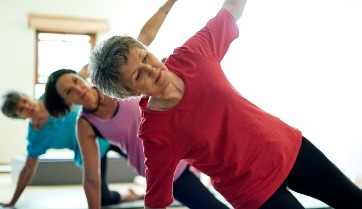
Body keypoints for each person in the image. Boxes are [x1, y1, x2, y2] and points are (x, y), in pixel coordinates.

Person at [87, 0, 362, 208]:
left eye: (144, 56)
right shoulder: (155, 134)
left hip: (287, 148)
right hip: (254, 192)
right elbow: (156, 199)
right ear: (127, 92)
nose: (151, 69)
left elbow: (231, 9)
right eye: (137, 75)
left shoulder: (191, 55)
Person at [44, 68, 230, 209]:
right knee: (211, 206)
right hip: (163, 170)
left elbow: (144, 42)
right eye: (68, 91)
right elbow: (92, 178)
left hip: (187, 144)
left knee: (243, 188)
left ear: (82, 76)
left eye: (76, 81)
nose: (78, 89)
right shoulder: (85, 124)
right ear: (66, 102)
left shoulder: (111, 82)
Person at [0, 90, 142, 208]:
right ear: (18, 116)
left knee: (146, 162)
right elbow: (27, 170)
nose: (27, 106)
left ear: (27, 97)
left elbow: (77, 86)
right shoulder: (36, 136)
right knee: (102, 199)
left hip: (107, 130)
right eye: (20, 109)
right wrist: (13, 201)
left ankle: (162, 187)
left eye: (24, 101)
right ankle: (130, 195)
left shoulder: (52, 96)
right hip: (92, 151)